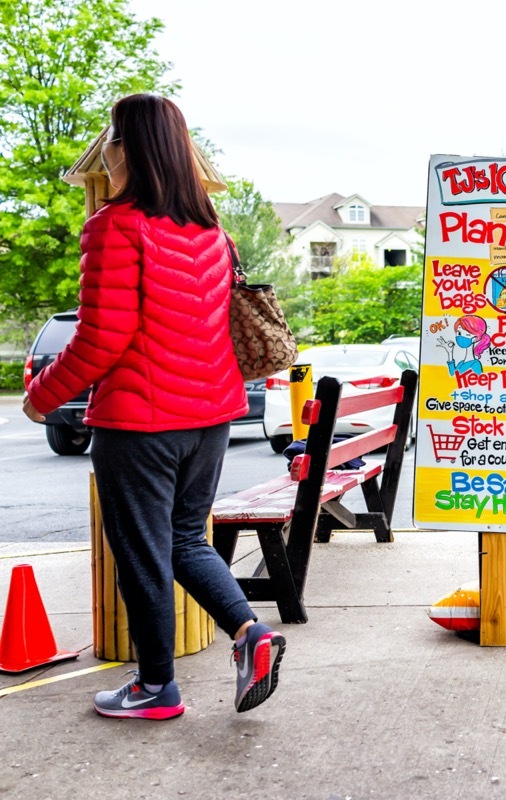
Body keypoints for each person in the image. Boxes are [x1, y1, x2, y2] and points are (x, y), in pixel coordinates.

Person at [23, 94, 285, 721]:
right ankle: (252, 635)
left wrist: (41, 399)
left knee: (142, 552)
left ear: (128, 148)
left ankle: (154, 688)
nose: (107, 146)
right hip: (212, 416)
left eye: (113, 136)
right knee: (182, 541)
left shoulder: (114, 226)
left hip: (141, 423)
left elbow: (100, 338)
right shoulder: (210, 232)